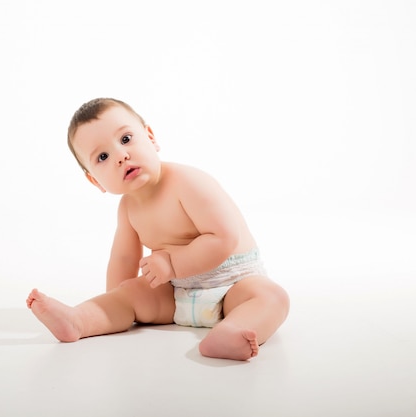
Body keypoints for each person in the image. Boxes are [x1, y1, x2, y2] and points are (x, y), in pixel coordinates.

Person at [27, 98, 289, 360]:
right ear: (95, 180)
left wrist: (172, 262)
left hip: (233, 282)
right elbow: (124, 259)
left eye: (126, 139)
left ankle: (232, 330)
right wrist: (119, 301)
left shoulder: (187, 181)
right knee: (130, 295)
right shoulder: (127, 208)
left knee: (272, 297)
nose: (121, 156)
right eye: (103, 157)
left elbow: (224, 238)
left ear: (150, 137)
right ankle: (80, 320)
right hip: (174, 292)